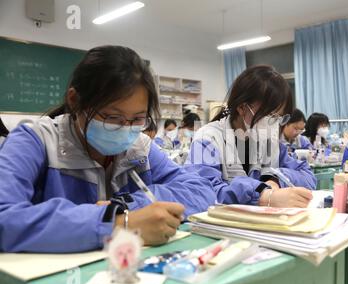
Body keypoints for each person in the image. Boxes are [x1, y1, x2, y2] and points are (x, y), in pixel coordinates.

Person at [0, 45, 216, 253]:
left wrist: (128, 204)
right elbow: (5, 218)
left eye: (138, 118)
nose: (125, 128)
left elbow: (201, 191)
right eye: (112, 117)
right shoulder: (35, 141)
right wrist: (118, 224)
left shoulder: (140, 148)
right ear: (75, 101)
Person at [185, 65, 316, 207]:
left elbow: (308, 176)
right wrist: (262, 195)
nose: (275, 124)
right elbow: (201, 193)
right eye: (270, 115)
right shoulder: (208, 139)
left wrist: (275, 179)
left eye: (279, 117)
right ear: (242, 108)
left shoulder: (267, 141)